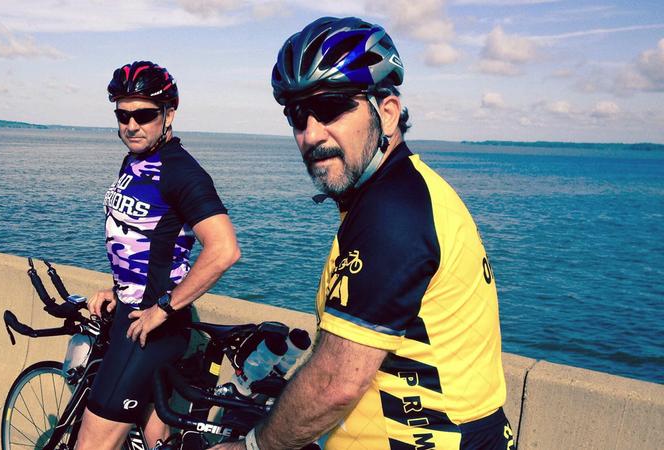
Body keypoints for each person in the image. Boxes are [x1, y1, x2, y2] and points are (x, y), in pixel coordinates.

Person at [212, 17, 513, 450]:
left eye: (333, 106)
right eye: (298, 115)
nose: (312, 133)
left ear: (386, 112)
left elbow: (336, 383)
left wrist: (251, 447)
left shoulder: (393, 214)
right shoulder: (408, 190)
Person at [77, 60, 241, 450]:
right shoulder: (134, 161)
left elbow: (224, 250)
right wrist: (118, 291)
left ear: (169, 113)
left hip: (149, 328)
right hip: (134, 313)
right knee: (156, 437)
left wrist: (164, 308)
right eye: (122, 114)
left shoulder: (183, 173)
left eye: (144, 114)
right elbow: (145, 243)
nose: (131, 125)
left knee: (91, 443)